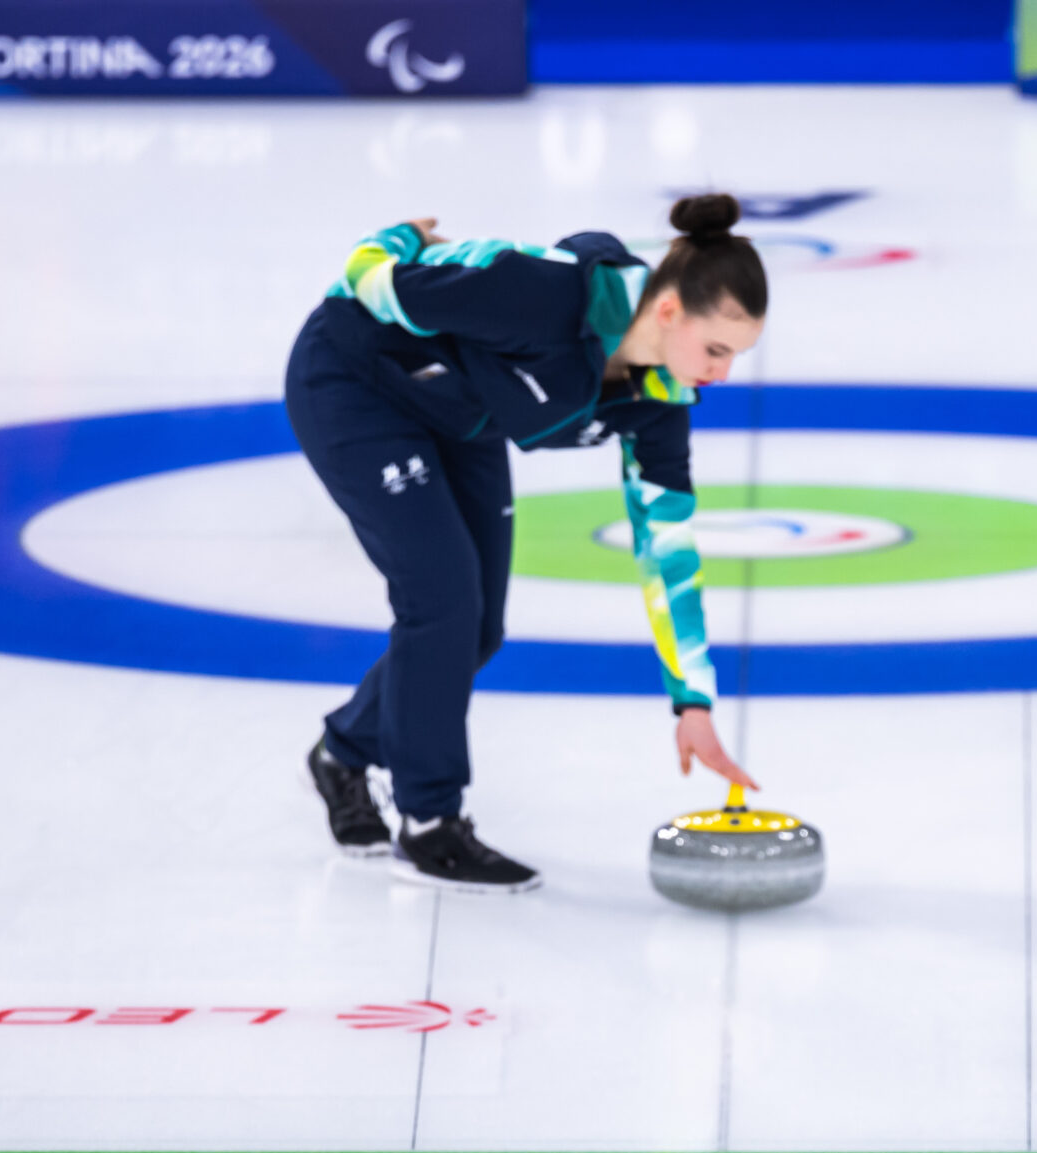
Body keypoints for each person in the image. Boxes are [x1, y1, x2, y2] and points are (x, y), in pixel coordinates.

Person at [285, 193, 765, 893]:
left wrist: (692, 701)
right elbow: (369, 282)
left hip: (461, 416)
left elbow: (668, 548)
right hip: (356, 383)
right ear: (668, 311)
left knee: (476, 630)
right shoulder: (539, 293)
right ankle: (430, 824)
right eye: (716, 350)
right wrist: (394, 238)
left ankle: (341, 752)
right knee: (442, 600)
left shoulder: (661, 400)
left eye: (735, 357)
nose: (721, 374)